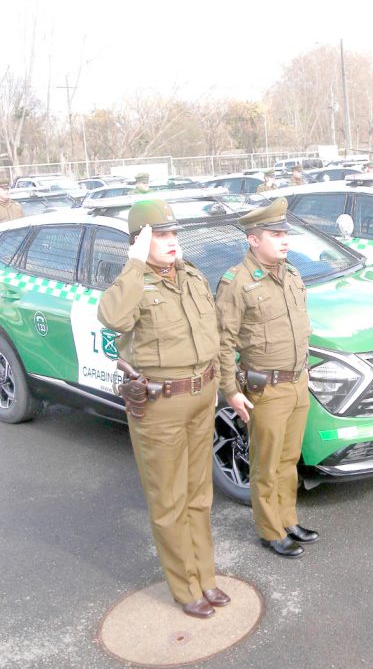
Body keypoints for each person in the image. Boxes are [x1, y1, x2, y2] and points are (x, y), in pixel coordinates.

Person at [97, 198, 229, 619]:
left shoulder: (191, 276)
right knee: (169, 500)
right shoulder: (133, 282)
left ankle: (205, 576)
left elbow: (211, 334)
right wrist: (135, 264)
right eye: (161, 235)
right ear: (140, 241)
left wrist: (219, 385)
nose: (172, 241)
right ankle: (184, 587)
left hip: (201, 398)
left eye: (174, 234)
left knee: (199, 495)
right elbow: (112, 317)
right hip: (160, 406)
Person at [215, 198, 316, 558]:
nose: (285, 240)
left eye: (285, 233)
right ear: (254, 240)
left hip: (297, 382)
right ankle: (269, 530)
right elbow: (223, 342)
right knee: (266, 463)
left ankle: (288, 519)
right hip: (266, 388)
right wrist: (231, 390)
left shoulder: (291, 274)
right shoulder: (237, 282)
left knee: (289, 460)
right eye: (275, 234)